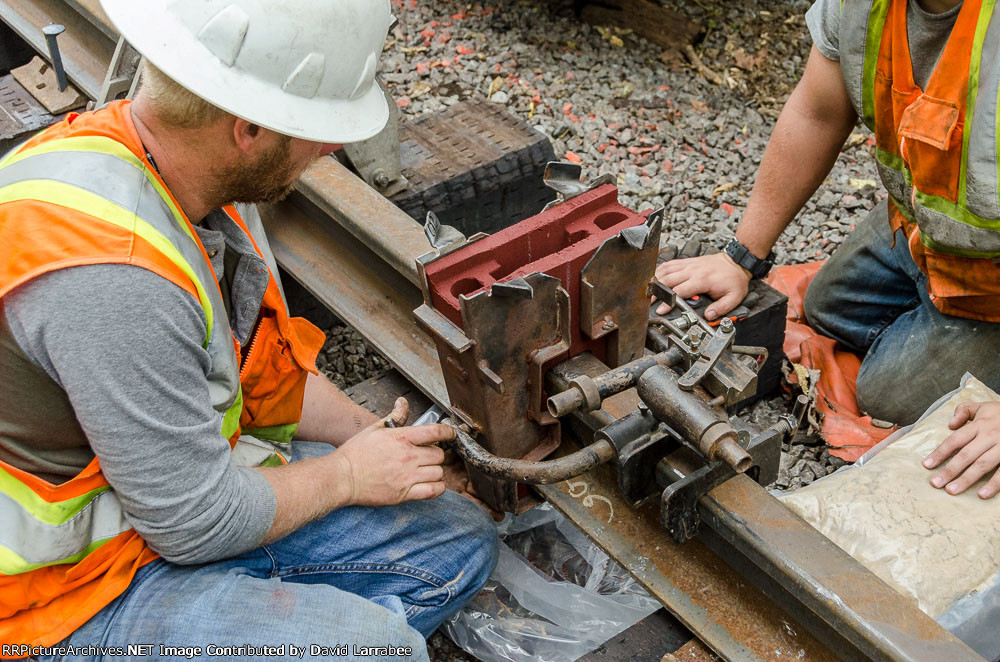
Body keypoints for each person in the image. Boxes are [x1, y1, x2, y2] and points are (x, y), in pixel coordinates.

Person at [0, 0, 497, 658]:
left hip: (149, 499)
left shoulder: (159, 172)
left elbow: (250, 370)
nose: (332, 148)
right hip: (56, 596)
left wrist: (369, 437)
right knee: (378, 648)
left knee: (456, 543)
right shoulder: (117, 279)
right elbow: (195, 523)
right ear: (248, 128)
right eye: (316, 128)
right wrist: (347, 478)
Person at [655, 0, 1000, 499]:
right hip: (921, 231)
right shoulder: (866, 6)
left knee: (885, 394)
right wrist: (741, 258)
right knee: (824, 307)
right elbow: (817, 113)